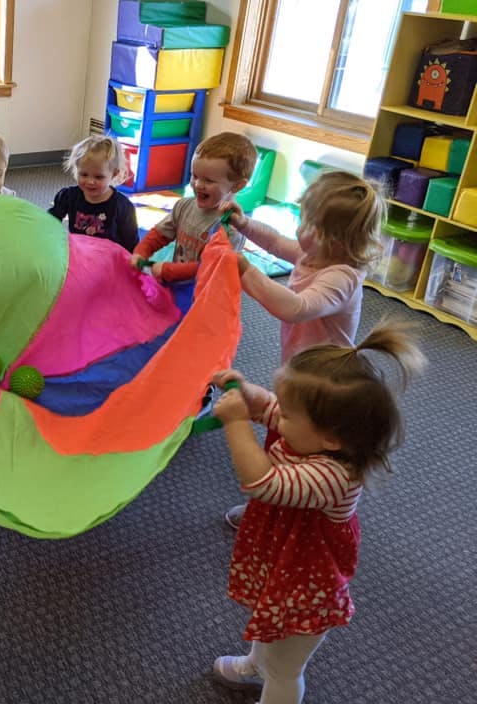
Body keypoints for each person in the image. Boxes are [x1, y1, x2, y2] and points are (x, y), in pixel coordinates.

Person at [209, 322, 425, 704]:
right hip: (285, 562)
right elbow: (271, 408)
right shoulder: (313, 436)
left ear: (332, 438)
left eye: (289, 414)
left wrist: (237, 423)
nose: (279, 416)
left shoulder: (334, 476)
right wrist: (248, 394)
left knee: (285, 667)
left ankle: (272, 682)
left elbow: (263, 483)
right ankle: (256, 666)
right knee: (269, 622)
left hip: (308, 582)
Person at [221, 169, 386, 529]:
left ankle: (284, 501)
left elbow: (295, 308)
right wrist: (245, 225)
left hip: (325, 380)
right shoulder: (313, 255)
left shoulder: (341, 277)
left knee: (305, 439)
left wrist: (247, 272)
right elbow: (276, 242)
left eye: (310, 224)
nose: (300, 229)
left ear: (337, 240)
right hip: (301, 367)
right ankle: (273, 503)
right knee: (286, 430)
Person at [129, 131, 256, 281]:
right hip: (178, 285)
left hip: (207, 291)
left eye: (208, 180)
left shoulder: (232, 227)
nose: (198, 185)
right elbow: (160, 235)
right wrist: (141, 252)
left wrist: (167, 271)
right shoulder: (184, 206)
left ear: (237, 185)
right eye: (194, 176)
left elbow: (209, 267)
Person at [48, 133, 138, 252]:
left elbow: (131, 242)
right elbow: (51, 221)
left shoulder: (122, 206)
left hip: (107, 257)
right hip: (79, 253)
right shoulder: (68, 196)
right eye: (84, 174)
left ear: (114, 174)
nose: (90, 182)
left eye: (98, 177)